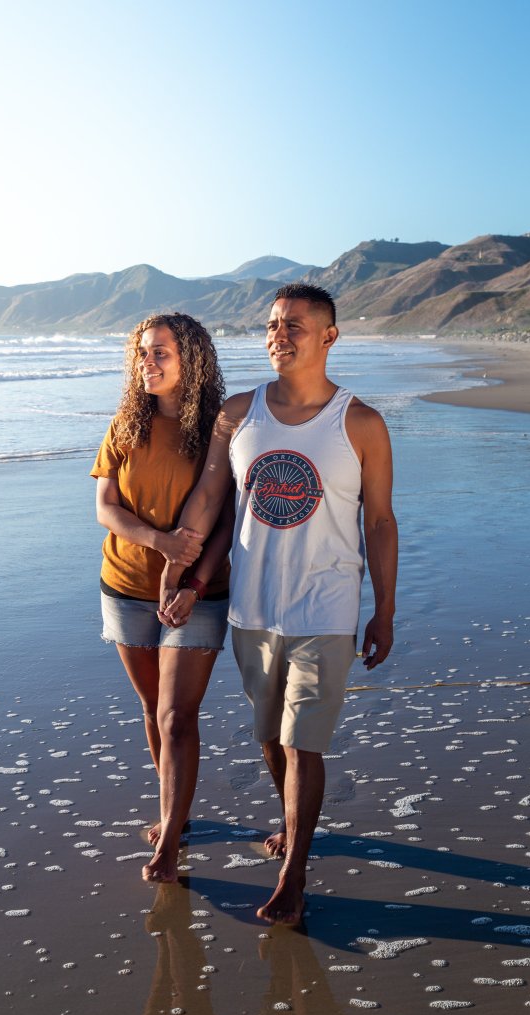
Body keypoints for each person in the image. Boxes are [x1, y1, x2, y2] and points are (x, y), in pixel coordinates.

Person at [160, 283, 398, 925]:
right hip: (252, 610)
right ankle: (292, 826)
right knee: (271, 737)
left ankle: (294, 877)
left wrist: (384, 610)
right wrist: (177, 569)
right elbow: (210, 499)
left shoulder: (361, 424)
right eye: (271, 325)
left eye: (294, 325)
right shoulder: (238, 413)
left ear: (329, 336)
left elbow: (379, 522)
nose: (278, 335)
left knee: (301, 744)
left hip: (326, 610)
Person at [91, 312, 233, 884]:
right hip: (125, 586)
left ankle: (171, 838)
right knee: (152, 710)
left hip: (200, 593)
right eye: (142, 354)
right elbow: (105, 507)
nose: (147, 363)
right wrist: (160, 541)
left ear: (191, 358)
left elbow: (226, 518)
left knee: (177, 717)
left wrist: (192, 581)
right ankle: (173, 809)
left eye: (161, 353)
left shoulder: (220, 427)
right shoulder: (127, 423)